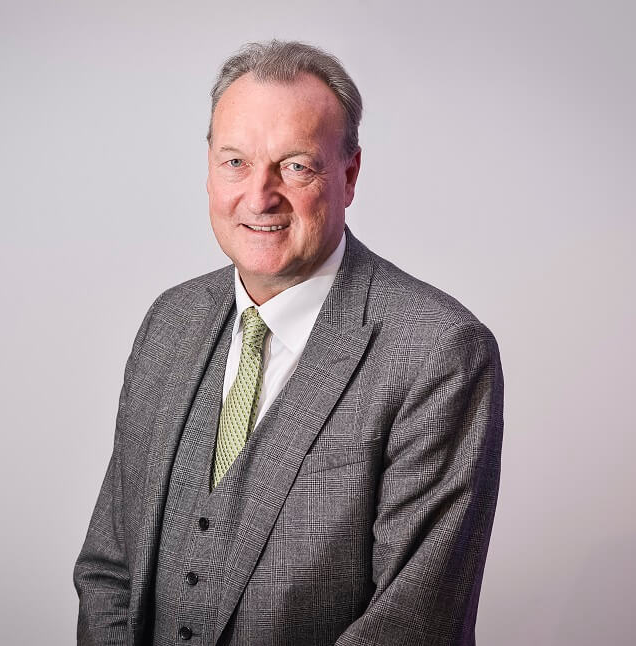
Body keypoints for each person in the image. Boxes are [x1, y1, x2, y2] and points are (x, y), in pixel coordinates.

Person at [74, 40, 504, 646]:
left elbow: (414, 625)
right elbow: (108, 570)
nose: (259, 196)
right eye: (235, 162)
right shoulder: (169, 321)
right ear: (208, 168)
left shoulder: (438, 351)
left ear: (348, 176)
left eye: (296, 166)